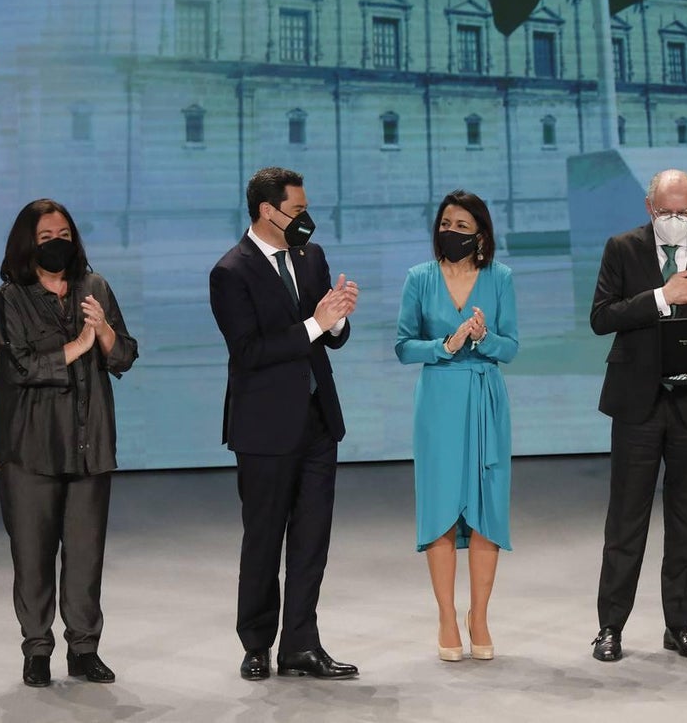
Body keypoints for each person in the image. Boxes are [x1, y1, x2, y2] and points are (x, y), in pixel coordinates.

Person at [589, 169, 687, 662]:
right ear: (648, 207)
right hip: (637, 405)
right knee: (626, 521)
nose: (674, 219)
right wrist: (663, 297)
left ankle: (679, 624)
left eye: (683, 211)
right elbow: (602, 317)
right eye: (666, 211)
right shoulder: (622, 248)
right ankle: (610, 627)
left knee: (686, 521)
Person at [209, 167, 360, 681]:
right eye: (297, 210)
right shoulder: (230, 271)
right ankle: (256, 644)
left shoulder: (310, 256)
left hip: (318, 422)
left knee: (311, 540)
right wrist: (316, 323)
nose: (306, 220)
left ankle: (301, 645)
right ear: (266, 212)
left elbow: (328, 335)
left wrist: (337, 319)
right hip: (265, 429)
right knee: (264, 539)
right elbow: (249, 351)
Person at [0, 199, 138, 687]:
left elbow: (125, 357)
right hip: (29, 447)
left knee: (85, 551)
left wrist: (106, 332)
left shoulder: (95, 288)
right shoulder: (8, 299)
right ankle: (36, 650)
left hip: (88, 442)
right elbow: (22, 368)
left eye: (65, 234)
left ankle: (84, 648)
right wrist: (77, 346)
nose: (58, 243)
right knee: (32, 554)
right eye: (47, 236)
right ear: (28, 243)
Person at [395, 190, 519, 661]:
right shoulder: (419, 279)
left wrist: (485, 339)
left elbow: (511, 347)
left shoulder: (500, 278)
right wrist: (443, 346)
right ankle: (447, 616)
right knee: (442, 508)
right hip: (440, 402)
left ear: (481, 235)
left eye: (463, 226)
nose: (452, 232)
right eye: (446, 223)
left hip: (487, 399)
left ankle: (479, 616)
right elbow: (404, 345)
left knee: (487, 511)